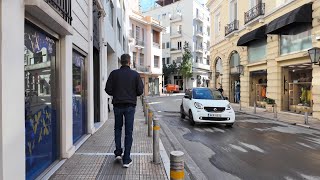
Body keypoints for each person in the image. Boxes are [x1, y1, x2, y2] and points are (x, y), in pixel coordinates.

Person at [105, 54, 144, 168]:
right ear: (129, 62)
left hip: (117, 106)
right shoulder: (135, 75)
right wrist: (131, 94)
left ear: (121, 62)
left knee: (117, 128)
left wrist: (116, 94)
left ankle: (118, 153)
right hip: (130, 106)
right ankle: (126, 159)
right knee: (128, 132)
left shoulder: (114, 74)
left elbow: (108, 89)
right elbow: (140, 91)